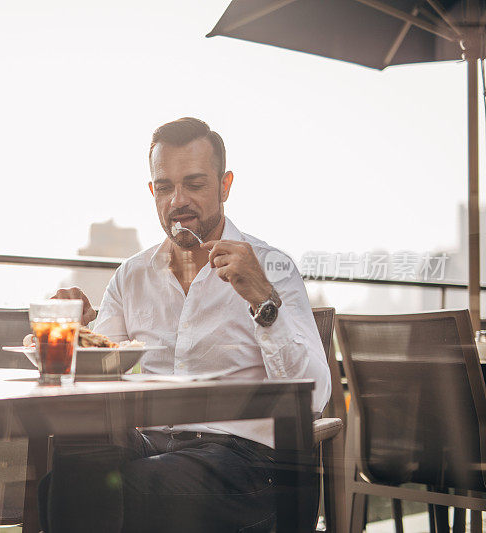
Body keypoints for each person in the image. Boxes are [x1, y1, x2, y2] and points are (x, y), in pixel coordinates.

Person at [40, 117, 332, 533]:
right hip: (154, 446)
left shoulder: (272, 267)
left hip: (247, 463)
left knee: (108, 492)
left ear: (225, 185)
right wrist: (79, 331)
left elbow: (315, 396)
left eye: (194, 184)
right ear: (152, 191)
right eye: (164, 187)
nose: (178, 200)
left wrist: (263, 301)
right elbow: (97, 374)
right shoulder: (132, 275)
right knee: (71, 466)